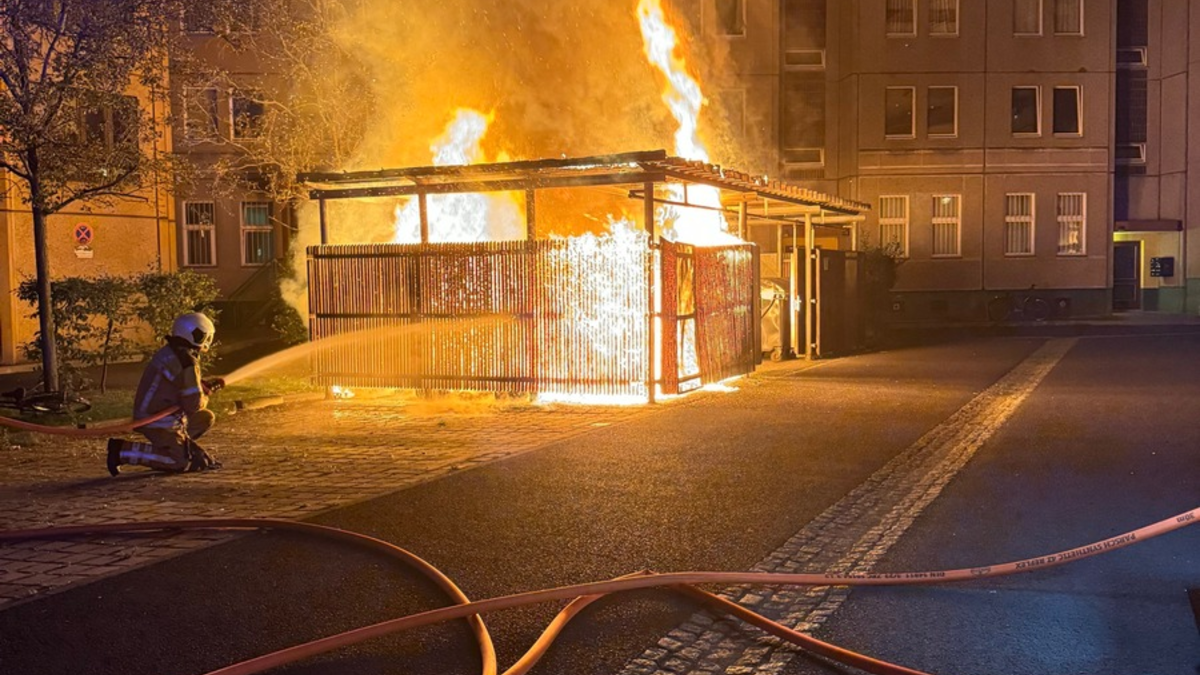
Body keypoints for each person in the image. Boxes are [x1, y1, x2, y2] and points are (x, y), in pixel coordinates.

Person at [106, 312, 225, 475]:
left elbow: (178, 384)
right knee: (178, 462)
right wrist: (206, 395)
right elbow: (193, 404)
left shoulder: (172, 352)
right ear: (199, 335)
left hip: (160, 414)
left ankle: (181, 447)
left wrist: (200, 384)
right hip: (157, 420)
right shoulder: (186, 362)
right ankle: (122, 451)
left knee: (205, 418)